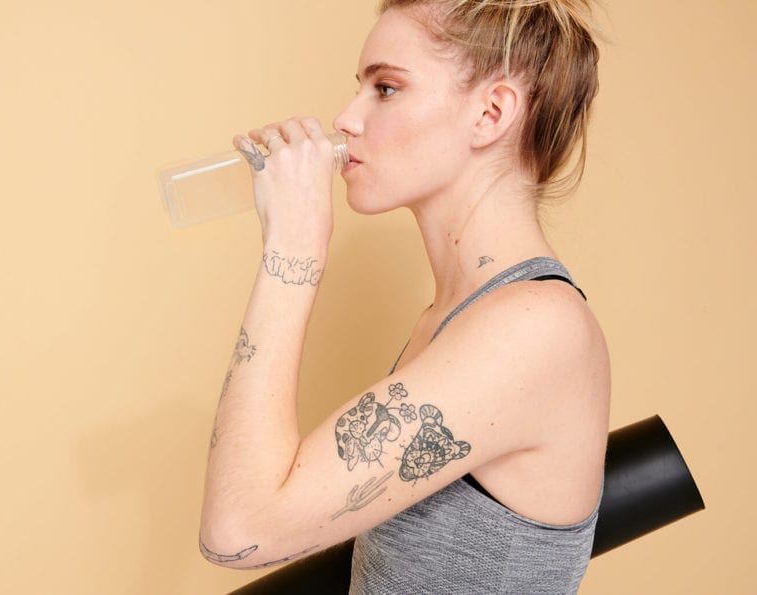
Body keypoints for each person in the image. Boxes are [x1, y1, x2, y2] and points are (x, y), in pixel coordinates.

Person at [199, 0, 609, 592]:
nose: (345, 118)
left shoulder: (533, 328)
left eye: (386, 89)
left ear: (490, 113)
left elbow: (237, 532)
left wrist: (293, 249)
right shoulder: (457, 318)